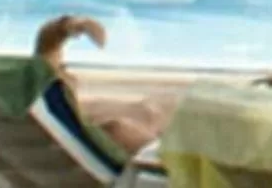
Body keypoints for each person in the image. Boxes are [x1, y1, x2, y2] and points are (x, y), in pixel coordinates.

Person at [34, 15, 179, 154]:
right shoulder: (118, 132)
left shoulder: (43, 114)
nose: (72, 77)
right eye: (64, 71)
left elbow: (44, 63)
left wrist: (66, 26)